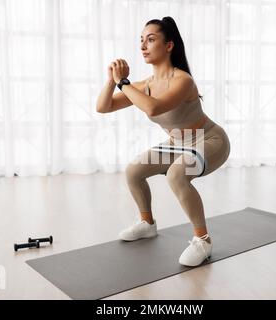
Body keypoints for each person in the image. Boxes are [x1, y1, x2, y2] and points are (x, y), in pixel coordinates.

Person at [96, 16, 230, 267]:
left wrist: (123, 83)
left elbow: (154, 108)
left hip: (210, 140)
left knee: (177, 174)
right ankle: (147, 223)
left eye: (151, 39)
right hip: (178, 143)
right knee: (134, 171)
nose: (143, 46)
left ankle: (203, 240)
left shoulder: (183, 80)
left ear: (169, 46)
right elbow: (103, 107)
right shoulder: (145, 84)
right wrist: (111, 80)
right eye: (141, 41)